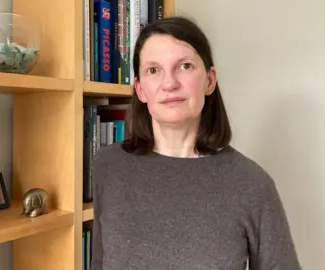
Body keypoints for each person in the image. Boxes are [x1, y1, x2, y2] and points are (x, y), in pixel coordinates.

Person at [90, 16, 302, 270]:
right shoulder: (108, 167)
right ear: (140, 89)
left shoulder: (252, 183)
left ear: (210, 81)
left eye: (185, 66)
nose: (169, 83)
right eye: (153, 70)